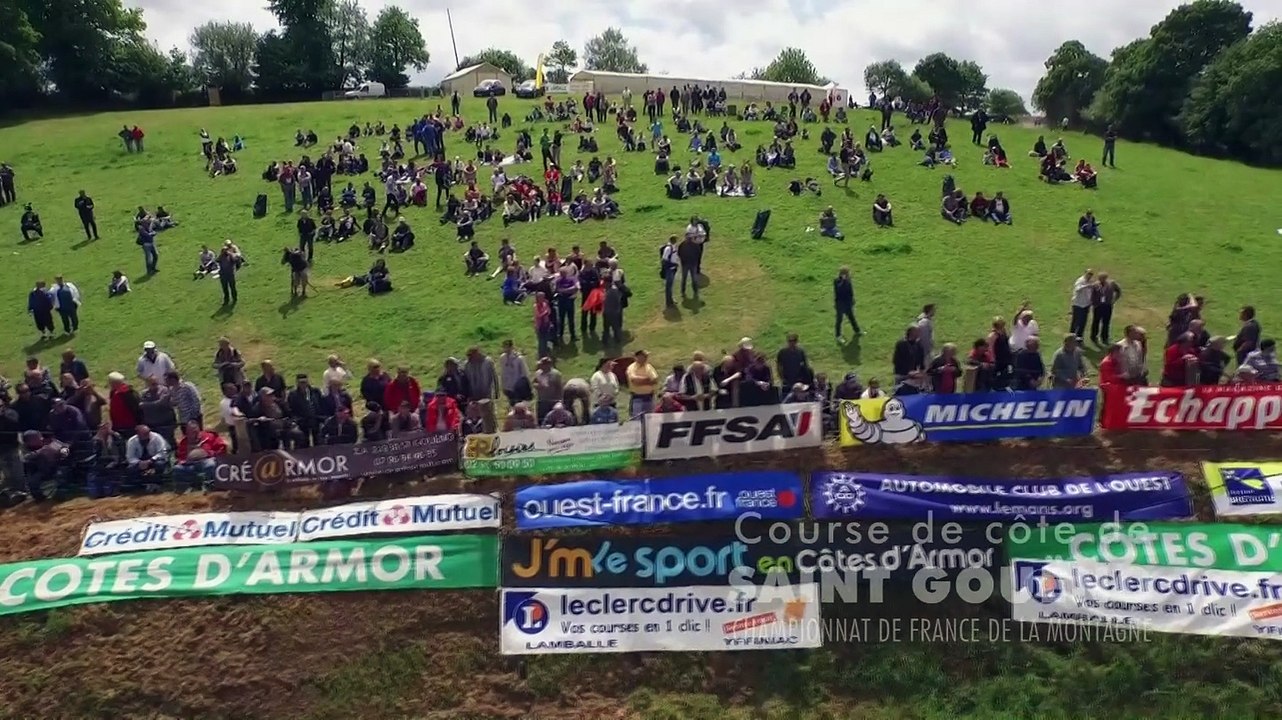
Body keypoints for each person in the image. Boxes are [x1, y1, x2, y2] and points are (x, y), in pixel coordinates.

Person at [174, 419, 227, 489]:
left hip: (207, 460)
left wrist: (210, 453)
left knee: (210, 465)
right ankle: (191, 484)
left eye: (195, 431)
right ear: (186, 432)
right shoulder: (184, 442)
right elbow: (180, 456)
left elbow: (221, 448)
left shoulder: (210, 436)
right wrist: (182, 461)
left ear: (199, 429)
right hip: (190, 464)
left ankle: (211, 483)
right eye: (191, 432)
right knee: (177, 468)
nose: (194, 433)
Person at [124, 424, 169, 490]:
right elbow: (130, 457)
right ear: (138, 434)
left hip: (154, 459)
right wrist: (139, 462)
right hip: (140, 461)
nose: (147, 435)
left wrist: (151, 460)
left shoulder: (157, 437)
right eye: (144, 434)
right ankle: (140, 486)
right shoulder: (132, 441)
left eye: (147, 433)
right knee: (130, 469)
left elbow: (162, 452)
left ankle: (158, 483)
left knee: (160, 464)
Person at [1089, 273, 1122, 345]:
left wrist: (1114, 300)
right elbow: (1092, 294)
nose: (1101, 280)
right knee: (1096, 322)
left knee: (1106, 322)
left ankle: (1104, 337)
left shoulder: (1112, 284)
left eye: (1103, 278)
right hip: (1098, 306)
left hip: (1107, 306)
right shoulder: (1095, 285)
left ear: (1106, 278)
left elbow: (1118, 291)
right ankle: (1093, 337)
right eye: (1100, 278)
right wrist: (1094, 304)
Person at [832, 266, 861, 343]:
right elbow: (839, 289)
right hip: (840, 303)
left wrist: (852, 299)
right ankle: (838, 336)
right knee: (839, 320)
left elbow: (850, 290)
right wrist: (844, 280)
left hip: (848, 303)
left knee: (851, 317)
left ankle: (857, 331)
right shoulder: (837, 281)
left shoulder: (849, 280)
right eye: (848, 273)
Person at [627, 350, 659, 416]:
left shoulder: (649, 367)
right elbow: (634, 380)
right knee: (637, 418)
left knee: (649, 418)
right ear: (637, 357)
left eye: (646, 356)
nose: (646, 358)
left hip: (649, 397)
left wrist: (641, 382)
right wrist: (648, 379)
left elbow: (655, 380)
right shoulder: (631, 368)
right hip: (637, 397)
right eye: (644, 356)